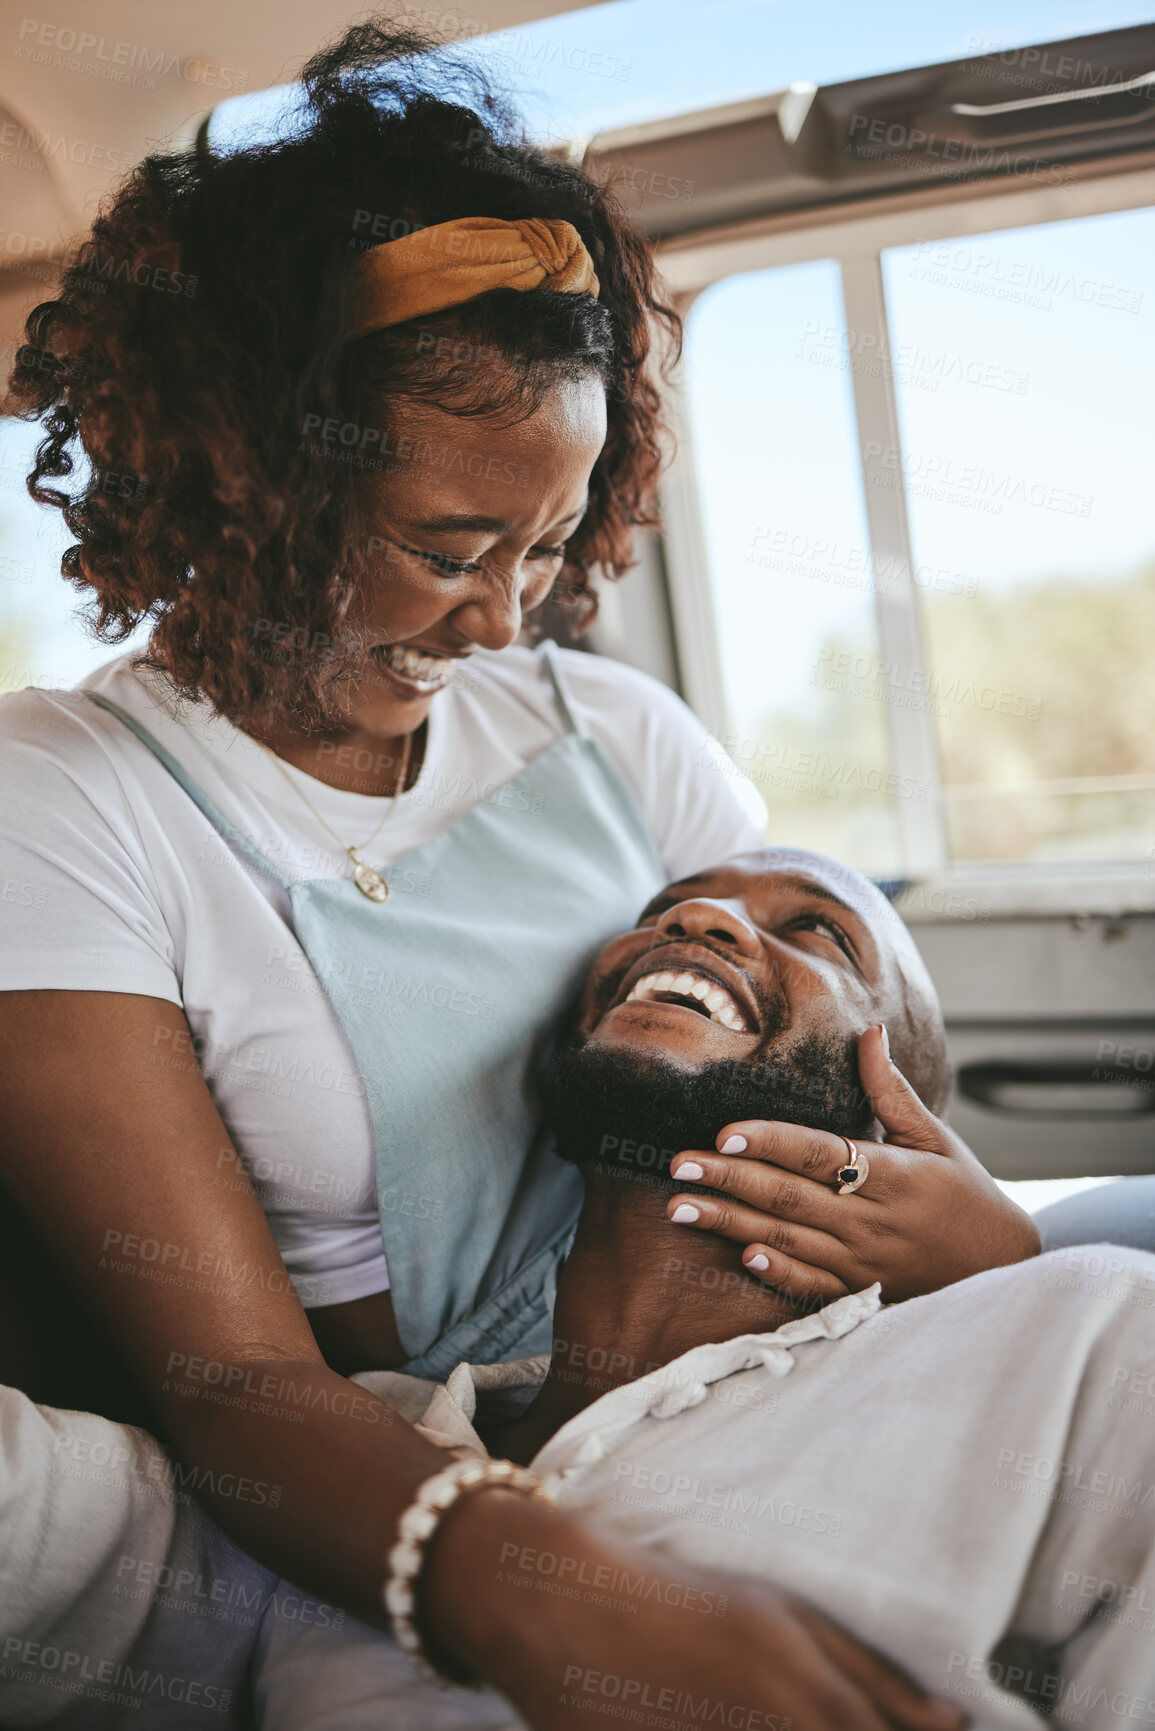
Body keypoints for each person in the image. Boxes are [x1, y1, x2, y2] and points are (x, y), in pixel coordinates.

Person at [0, 17, 1034, 1724]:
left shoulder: (613, 732)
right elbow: (235, 1378)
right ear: (243, 483)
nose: (502, 622)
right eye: (445, 549)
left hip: (745, 1377)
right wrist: (540, 1590)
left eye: (548, 545)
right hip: (399, 1477)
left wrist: (997, 1254)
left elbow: (819, 1020)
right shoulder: (69, 802)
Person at [1, 847, 1045, 1730]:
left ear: (908, 1125)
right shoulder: (345, 1462)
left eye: (821, 933)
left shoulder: (1056, 1350)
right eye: (670, 907)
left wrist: (1014, 1284)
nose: (699, 916)